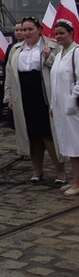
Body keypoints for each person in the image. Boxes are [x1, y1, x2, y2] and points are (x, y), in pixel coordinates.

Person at [4, 16, 67, 184]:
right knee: (31, 135)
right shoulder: (16, 49)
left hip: (44, 96)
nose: (26, 33)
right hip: (24, 96)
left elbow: (62, 69)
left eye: (30, 29)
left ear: (39, 29)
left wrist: (49, 57)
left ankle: (61, 172)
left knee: (48, 135)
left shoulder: (52, 46)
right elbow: (9, 74)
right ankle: (37, 171)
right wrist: (9, 97)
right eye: (24, 30)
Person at [50, 19, 79, 196]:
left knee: (76, 145)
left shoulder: (76, 53)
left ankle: (78, 182)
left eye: (62, 33)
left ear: (71, 33)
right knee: (68, 144)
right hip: (60, 108)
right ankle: (75, 179)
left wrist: (71, 101)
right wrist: (53, 104)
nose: (59, 36)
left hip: (73, 108)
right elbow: (54, 82)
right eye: (57, 34)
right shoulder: (60, 54)